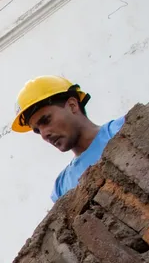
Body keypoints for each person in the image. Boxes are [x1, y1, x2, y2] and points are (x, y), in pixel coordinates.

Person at [11, 75, 126, 203]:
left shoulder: (124, 129)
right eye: (37, 131)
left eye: (46, 120)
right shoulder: (61, 187)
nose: (44, 135)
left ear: (72, 105)